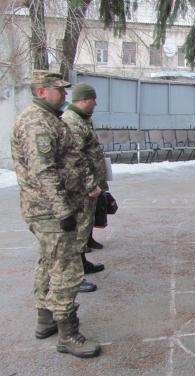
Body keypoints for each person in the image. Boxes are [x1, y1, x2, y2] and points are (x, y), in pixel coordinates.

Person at [11, 70, 101, 358]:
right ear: (41, 91)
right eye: (59, 90)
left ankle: (45, 319)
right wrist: (63, 211)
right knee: (66, 269)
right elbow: (44, 172)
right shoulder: (36, 123)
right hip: (49, 211)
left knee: (49, 262)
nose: (64, 94)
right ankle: (68, 333)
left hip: (49, 209)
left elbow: (70, 160)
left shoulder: (49, 118)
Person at [62, 83, 107, 288]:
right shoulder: (72, 122)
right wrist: (90, 184)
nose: (95, 103)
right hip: (80, 188)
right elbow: (76, 158)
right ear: (84, 100)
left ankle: (82, 264)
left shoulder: (82, 120)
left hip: (88, 185)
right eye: (93, 99)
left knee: (84, 228)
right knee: (77, 232)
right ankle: (75, 278)